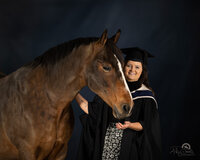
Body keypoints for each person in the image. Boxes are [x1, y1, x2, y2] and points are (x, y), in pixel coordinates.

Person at [75, 47, 162, 160]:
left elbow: (148, 125)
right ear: (123, 67)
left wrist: (130, 125)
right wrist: (74, 92)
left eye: (137, 67)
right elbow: (89, 109)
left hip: (130, 148)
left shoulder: (146, 97)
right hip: (107, 147)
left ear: (142, 71)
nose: (132, 70)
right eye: (129, 65)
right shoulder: (112, 91)